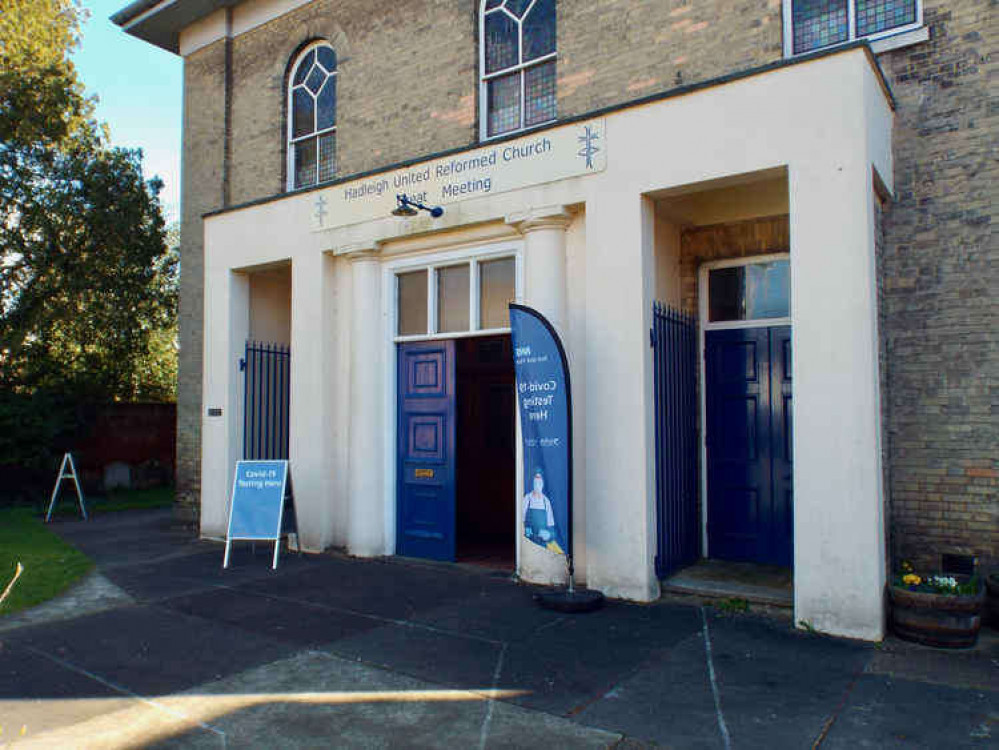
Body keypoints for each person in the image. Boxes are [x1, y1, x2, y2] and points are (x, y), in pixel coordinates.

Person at [523, 470, 563, 554]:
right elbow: (520, 520)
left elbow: (551, 528)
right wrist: (525, 530)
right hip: (528, 542)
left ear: (543, 483)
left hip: (541, 545)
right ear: (532, 482)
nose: (537, 484)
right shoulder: (527, 498)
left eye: (539, 481)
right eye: (535, 481)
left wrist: (548, 535)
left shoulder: (546, 501)